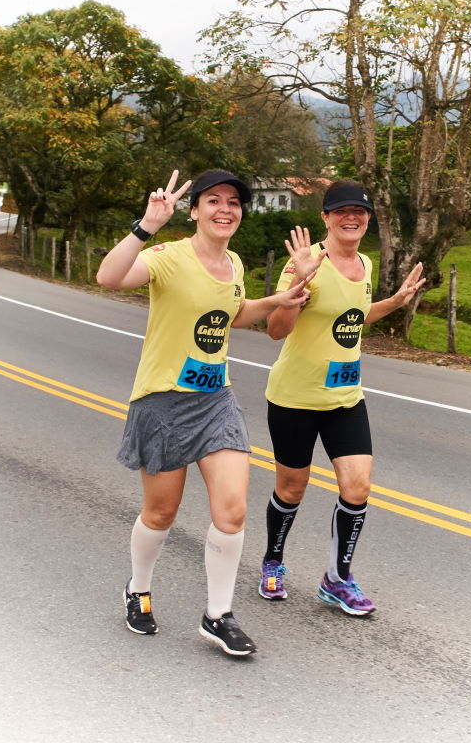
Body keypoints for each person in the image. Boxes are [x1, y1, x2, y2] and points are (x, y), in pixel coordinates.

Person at [96, 168, 322, 657]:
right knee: (161, 512)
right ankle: (138, 588)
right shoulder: (168, 257)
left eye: (234, 202)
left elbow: (232, 315)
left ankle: (218, 614)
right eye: (213, 200)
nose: (225, 209)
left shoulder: (234, 263)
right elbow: (108, 277)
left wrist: (278, 300)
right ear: (194, 211)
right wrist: (147, 226)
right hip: (162, 400)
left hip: (215, 400)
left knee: (232, 509)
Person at [258, 179, 425, 615]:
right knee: (291, 488)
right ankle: (273, 561)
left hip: (346, 397)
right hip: (295, 397)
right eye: (342, 211)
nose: (352, 217)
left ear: (368, 218)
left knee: (358, 486)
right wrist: (298, 284)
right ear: (326, 218)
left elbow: (354, 317)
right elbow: (276, 330)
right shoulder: (306, 262)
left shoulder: (365, 263)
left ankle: (336, 579)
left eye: (360, 211)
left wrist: (395, 301)